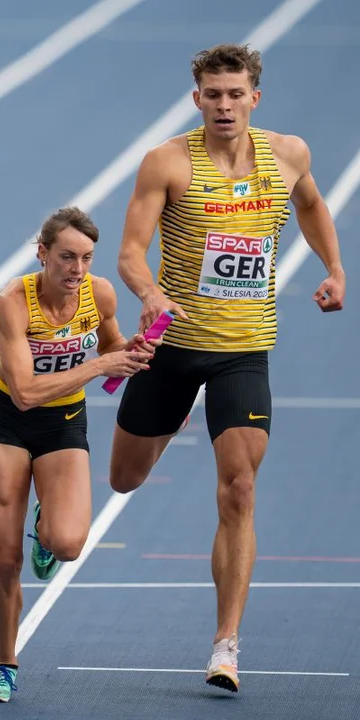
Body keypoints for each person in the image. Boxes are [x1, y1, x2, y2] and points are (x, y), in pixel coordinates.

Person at [109, 43, 346, 693]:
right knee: (125, 478)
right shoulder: (166, 163)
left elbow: (309, 205)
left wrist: (331, 266)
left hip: (243, 349)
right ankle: (167, 416)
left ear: (253, 99)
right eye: (211, 94)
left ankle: (225, 645)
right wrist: (149, 293)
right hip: (175, 347)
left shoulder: (288, 154)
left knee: (238, 489)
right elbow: (131, 251)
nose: (222, 104)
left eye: (233, 94)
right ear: (196, 99)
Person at [0, 207, 156, 703]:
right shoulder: (13, 300)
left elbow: (114, 346)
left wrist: (132, 352)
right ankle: (5, 664)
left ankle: (46, 527)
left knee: (69, 543)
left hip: (64, 423)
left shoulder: (98, 293)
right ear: (43, 254)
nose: (77, 270)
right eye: (67, 258)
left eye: (87, 259)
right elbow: (26, 392)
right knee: (5, 560)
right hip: (7, 422)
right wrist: (101, 363)